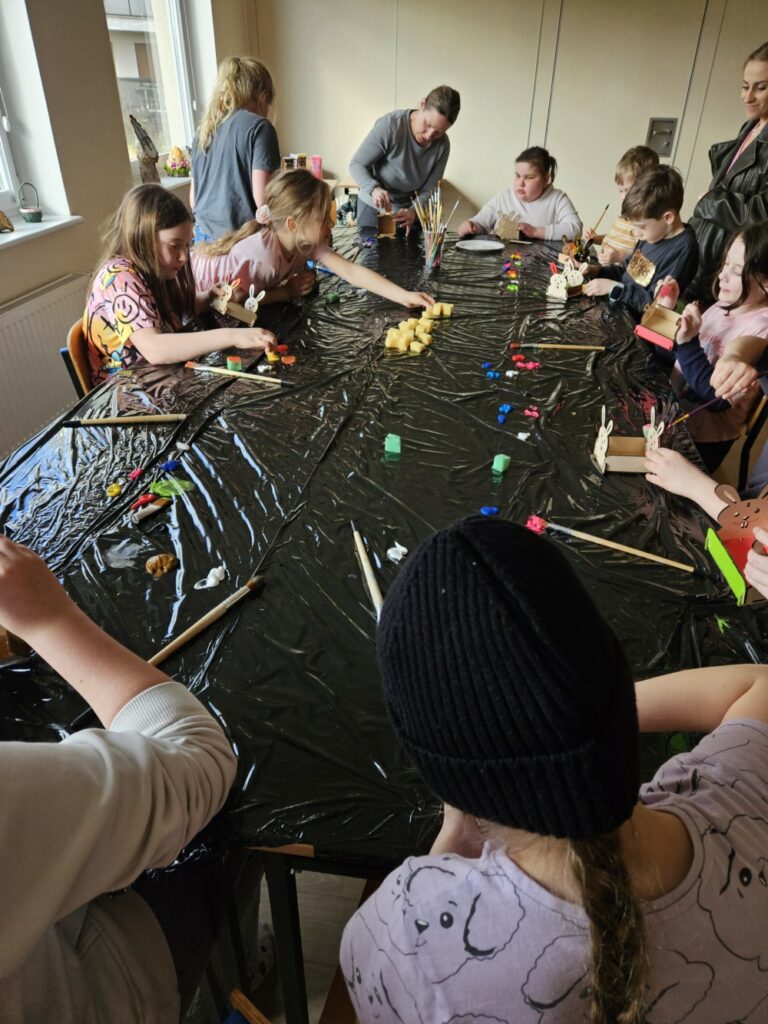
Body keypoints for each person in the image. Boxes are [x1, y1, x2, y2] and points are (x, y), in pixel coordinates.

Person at [341, 515, 768, 1023]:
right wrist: (571, 715)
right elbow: (759, 684)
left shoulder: (405, 940)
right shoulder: (744, 805)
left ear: (451, 781)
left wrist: (453, 834)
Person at [0, 535, 237, 1022]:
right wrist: (48, 619)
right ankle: (239, 969)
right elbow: (197, 762)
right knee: (218, 842)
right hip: (84, 985)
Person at [84, 185, 274, 385]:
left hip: (160, 379)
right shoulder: (119, 277)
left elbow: (171, 312)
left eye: (187, 245)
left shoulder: (154, 270)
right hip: (125, 391)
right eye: (175, 245)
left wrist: (206, 298)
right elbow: (155, 349)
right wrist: (232, 336)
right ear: (142, 238)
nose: (184, 256)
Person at [192, 170, 434, 309]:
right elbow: (235, 303)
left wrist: (404, 296)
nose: (331, 224)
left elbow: (351, 272)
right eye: (322, 218)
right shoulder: (262, 258)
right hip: (194, 285)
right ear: (293, 224)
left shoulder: (304, 242)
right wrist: (286, 292)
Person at [652, 222, 768, 471]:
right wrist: (665, 315)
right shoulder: (724, 304)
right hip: (673, 416)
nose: (722, 274)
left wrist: (687, 342)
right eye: (726, 264)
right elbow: (676, 358)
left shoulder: (761, 328)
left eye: (736, 270)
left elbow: (716, 400)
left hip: (701, 442)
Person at [687, 41, 768, 304]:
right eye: (745, 86)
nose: (748, 97)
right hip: (704, 257)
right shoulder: (751, 126)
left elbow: (761, 216)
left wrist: (710, 201)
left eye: (761, 87)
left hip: (728, 270)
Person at [583, 165, 698, 318]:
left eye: (641, 227)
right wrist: (597, 271)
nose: (635, 233)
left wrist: (614, 288)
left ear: (667, 218)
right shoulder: (652, 235)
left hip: (635, 324)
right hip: (619, 310)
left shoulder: (684, 250)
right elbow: (626, 272)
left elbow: (654, 306)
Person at [190, 56, 280, 242]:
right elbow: (263, 199)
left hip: (203, 238)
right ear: (263, 98)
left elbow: (194, 200)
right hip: (240, 239)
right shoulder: (260, 127)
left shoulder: (204, 130)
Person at [349, 85, 461, 235]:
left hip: (408, 212)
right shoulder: (390, 126)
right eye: (428, 124)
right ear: (422, 104)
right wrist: (374, 189)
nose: (429, 136)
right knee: (368, 250)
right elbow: (356, 164)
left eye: (438, 132)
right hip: (373, 206)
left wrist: (414, 212)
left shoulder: (443, 146)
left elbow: (430, 189)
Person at [458, 145, 581, 242]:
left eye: (529, 177)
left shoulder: (558, 199)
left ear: (546, 179)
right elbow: (481, 222)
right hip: (503, 262)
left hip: (540, 264)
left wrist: (536, 232)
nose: (520, 183)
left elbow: (576, 229)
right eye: (517, 176)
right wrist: (471, 225)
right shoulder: (504, 197)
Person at [583, 145, 659, 266]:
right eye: (620, 191)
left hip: (621, 275)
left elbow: (645, 258)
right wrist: (596, 239)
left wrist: (619, 256)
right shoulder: (622, 218)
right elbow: (614, 240)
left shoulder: (642, 225)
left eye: (627, 190)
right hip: (603, 269)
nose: (623, 197)